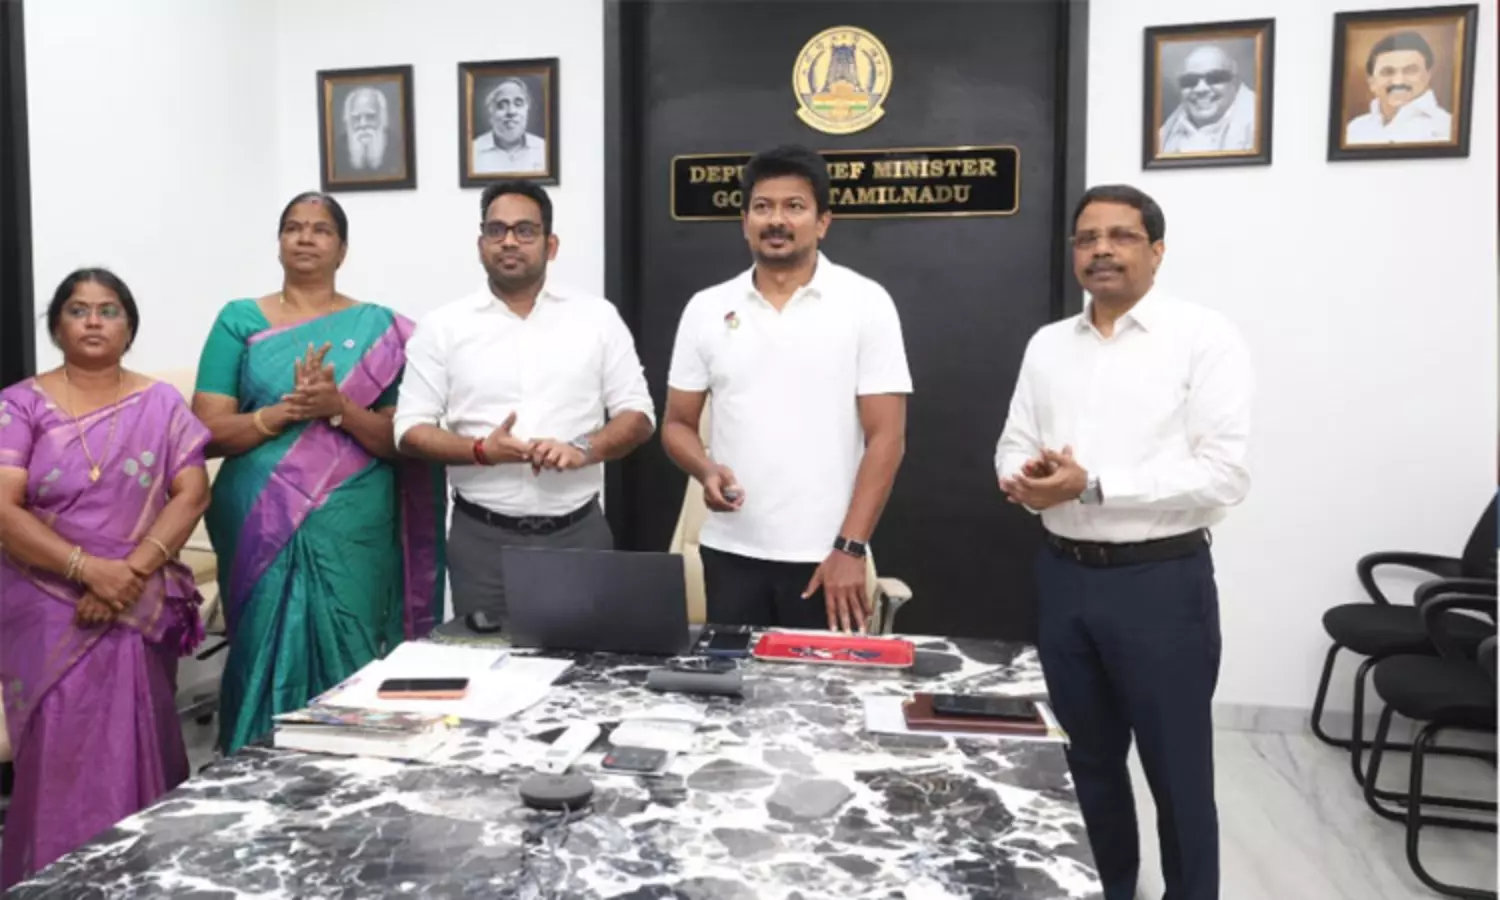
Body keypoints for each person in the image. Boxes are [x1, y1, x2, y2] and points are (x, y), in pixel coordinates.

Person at [995, 184, 1253, 900]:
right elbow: (1013, 442)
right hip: (1064, 577)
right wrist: (1024, 480)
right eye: (1087, 238)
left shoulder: (1203, 337)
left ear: (1157, 250)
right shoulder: (1048, 345)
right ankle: (1106, 888)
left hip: (1159, 583)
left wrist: (1094, 485)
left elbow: (1225, 474)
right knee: (1085, 762)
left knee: (1178, 773)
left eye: (1121, 236)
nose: (1101, 250)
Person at [192, 192, 446, 756]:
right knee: (259, 646)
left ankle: (356, 769)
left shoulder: (382, 329)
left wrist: (337, 406)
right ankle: (254, 766)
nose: (305, 237)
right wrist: (281, 413)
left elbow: (401, 441)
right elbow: (206, 430)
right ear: (279, 243)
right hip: (259, 518)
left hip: (353, 520)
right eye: (293, 227)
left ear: (342, 249)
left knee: (353, 642)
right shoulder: (239, 319)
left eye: (321, 229)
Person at [0, 269, 212, 889]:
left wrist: (130, 574)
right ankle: (55, 881)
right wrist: (89, 571)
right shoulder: (19, 405)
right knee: (60, 743)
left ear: (129, 327)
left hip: (135, 596)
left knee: (138, 734)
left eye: (109, 310)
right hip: (44, 595)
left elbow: (192, 492)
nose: (93, 321)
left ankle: (145, 878)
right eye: (78, 309)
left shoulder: (161, 404)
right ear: (56, 326)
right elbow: (3, 508)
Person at [662, 144, 912, 633]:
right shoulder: (706, 308)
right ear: (745, 222)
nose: (776, 220)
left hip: (826, 557)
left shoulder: (866, 303)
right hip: (729, 553)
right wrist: (705, 469)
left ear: (823, 222)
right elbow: (676, 424)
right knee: (733, 682)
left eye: (794, 206)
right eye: (762, 206)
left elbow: (887, 438)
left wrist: (850, 548)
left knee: (821, 684)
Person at [394, 181, 653, 627]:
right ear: (481, 244)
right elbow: (409, 429)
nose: (509, 241)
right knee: (487, 663)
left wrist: (582, 448)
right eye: (496, 230)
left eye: (525, 230)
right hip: (483, 543)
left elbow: (639, 415)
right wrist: (481, 450)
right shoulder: (443, 327)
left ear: (551, 245)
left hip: (577, 535)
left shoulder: (597, 318)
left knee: (583, 662)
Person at [1346, 30, 1453, 144]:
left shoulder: (1448, 128)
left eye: (1410, 71)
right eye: (1387, 72)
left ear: (1428, 76)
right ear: (1371, 82)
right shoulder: (1355, 130)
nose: (1398, 81)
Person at [1159, 44, 1258, 154]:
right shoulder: (1171, 127)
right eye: (1190, 80)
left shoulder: (1259, 123)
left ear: (1235, 82)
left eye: (1214, 78)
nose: (1201, 89)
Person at [471, 78, 547, 175]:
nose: (511, 111)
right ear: (491, 112)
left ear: (527, 109)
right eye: (502, 105)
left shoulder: (544, 149)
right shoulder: (472, 151)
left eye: (518, 104)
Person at [337, 85, 401, 177]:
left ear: (381, 117)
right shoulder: (337, 149)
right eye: (356, 118)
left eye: (370, 117)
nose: (363, 124)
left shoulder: (398, 147)